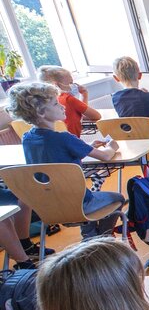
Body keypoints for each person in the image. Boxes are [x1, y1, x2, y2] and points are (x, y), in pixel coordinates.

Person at [7, 82, 123, 240]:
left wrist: (85, 146)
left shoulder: (27, 139)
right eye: (55, 104)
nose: (62, 106)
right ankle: (102, 238)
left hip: (48, 208)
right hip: (80, 204)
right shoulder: (65, 138)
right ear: (41, 112)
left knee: (90, 198)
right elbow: (105, 157)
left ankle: (90, 236)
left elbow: (54, 156)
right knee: (119, 198)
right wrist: (112, 146)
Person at [37, 65, 101, 137]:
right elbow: (96, 116)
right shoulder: (68, 99)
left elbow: (79, 114)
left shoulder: (46, 102)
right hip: (72, 141)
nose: (73, 85)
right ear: (56, 85)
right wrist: (84, 95)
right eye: (70, 83)